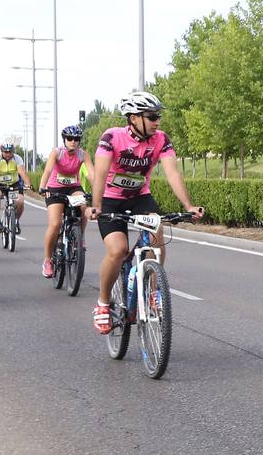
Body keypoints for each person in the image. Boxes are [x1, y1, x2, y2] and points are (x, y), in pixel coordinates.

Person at [88, 91, 204, 334]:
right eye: (151, 117)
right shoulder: (112, 137)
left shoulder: (161, 139)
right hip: (111, 199)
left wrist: (188, 206)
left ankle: (153, 292)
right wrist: (96, 205)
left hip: (140, 197)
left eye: (158, 116)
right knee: (118, 250)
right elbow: (99, 174)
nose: (157, 121)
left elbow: (172, 173)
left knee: (156, 237)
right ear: (133, 118)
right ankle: (102, 303)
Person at [38, 125, 92, 278]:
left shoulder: (83, 154)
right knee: (55, 224)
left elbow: (92, 174)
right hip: (54, 188)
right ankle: (47, 260)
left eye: (76, 139)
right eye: (70, 139)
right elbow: (48, 170)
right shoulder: (57, 152)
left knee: (84, 206)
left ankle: (80, 236)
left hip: (73, 187)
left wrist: (100, 191)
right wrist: (43, 187)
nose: (73, 142)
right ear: (64, 140)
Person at [0, 142, 31, 233]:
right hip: (0, 184)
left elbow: (22, 172)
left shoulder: (17, 158)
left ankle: (16, 220)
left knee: (20, 201)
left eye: (10, 152)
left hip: (14, 184)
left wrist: (28, 184)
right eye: (6, 152)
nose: (8, 154)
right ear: (2, 151)